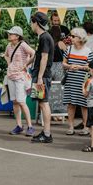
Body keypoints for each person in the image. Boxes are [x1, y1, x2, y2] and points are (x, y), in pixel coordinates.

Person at [62, 28, 93, 136]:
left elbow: (91, 67)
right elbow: (64, 64)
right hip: (71, 80)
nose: (70, 38)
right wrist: (70, 66)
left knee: (84, 105)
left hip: (82, 81)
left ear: (80, 38)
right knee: (71, 104)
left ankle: (86, 127)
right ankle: (70, 126)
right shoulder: (69, 49)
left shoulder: (88, 51)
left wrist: (79, 67)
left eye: (73, 36)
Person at [4, 26, 35, 137]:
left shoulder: (22, 45)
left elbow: (33, 53)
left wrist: (26, 64)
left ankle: (30, 126)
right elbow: (6, 55)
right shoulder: (9, 46)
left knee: (21, 101)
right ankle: (19, 126)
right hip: (11, 76)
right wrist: (9, 64)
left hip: (20, 76)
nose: (9, 35)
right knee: (15, 102)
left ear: (17, 36)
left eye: (11, 33)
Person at [30, 12, 54, 143]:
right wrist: (27, 63)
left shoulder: (45, 37)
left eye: (32, 22)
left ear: (36, 23)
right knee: (41, 102)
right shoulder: (42, 37)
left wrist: (39, 77)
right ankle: (45, 131)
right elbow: (38, 55)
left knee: (44, 103)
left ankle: (47, 133)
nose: (31, 25)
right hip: (39, 73)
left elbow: (44, 57)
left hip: (42, 75)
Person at [49, 12, 70, 81]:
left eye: (58, 20)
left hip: (59, 60)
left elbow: (70, 43)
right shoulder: (49, 32)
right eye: (55, 20)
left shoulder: (65, 29)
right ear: (51, 21)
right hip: (53, 62)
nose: (57, 22)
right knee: (58, 86)